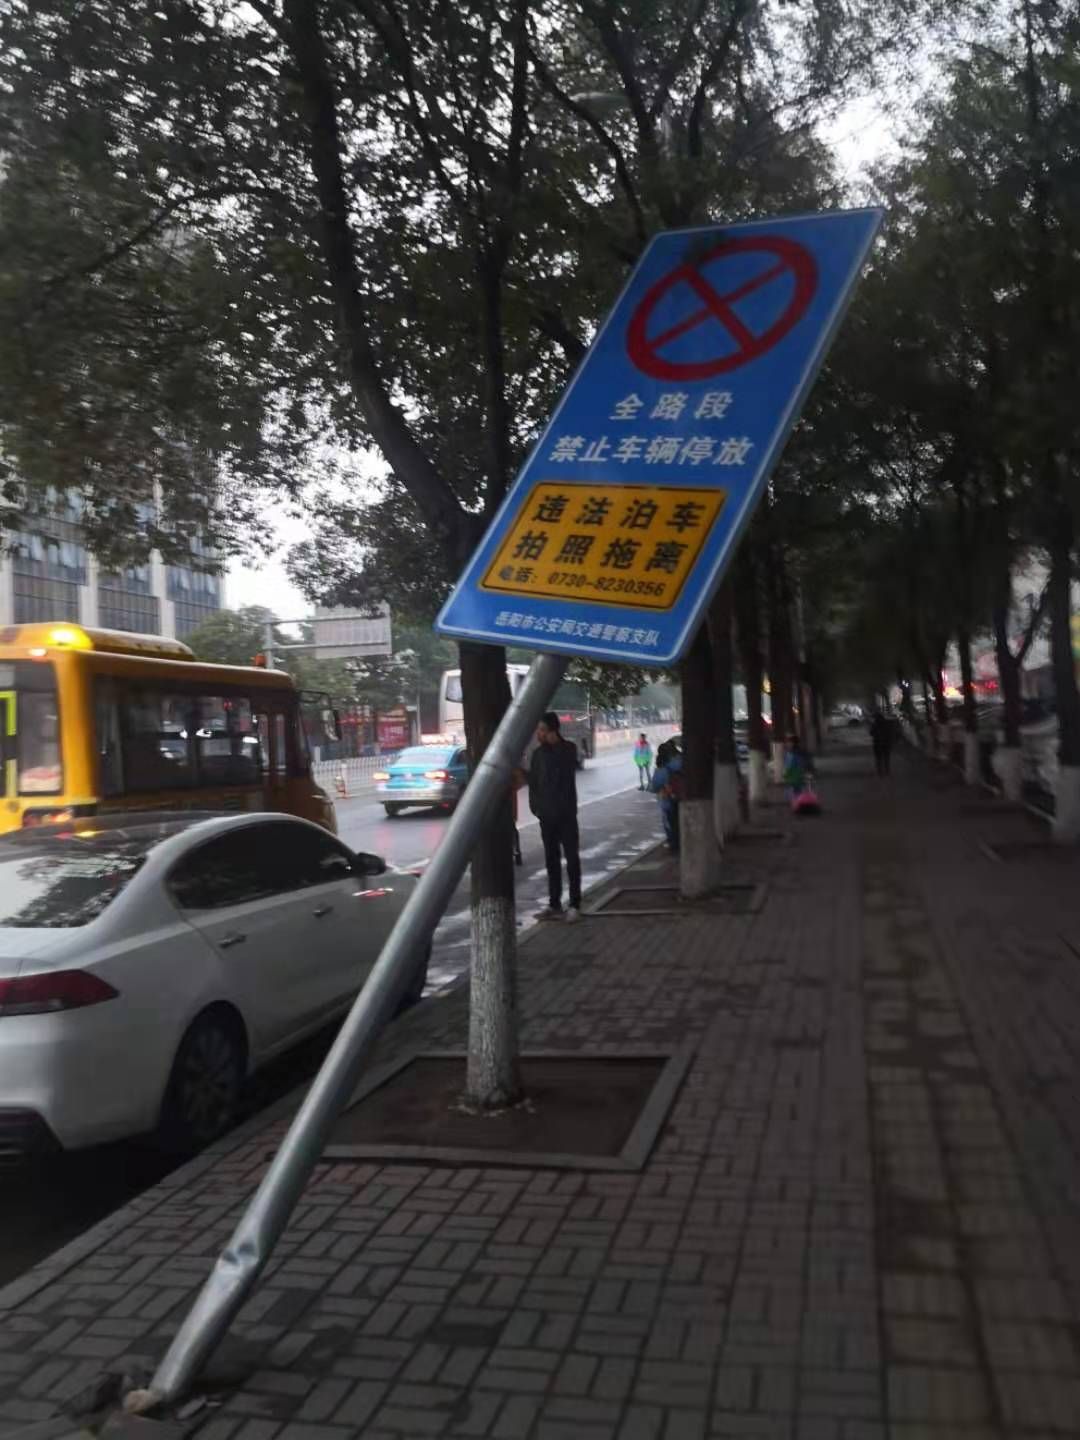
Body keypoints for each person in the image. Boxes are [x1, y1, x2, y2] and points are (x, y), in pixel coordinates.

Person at [528, 712, 581, 921]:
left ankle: (574, 904)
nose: (538, 734)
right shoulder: (537, 755)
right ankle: (554, 903)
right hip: (547, 817)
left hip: (566, 815)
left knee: (572, 859)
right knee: (551, 861)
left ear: (552, 731)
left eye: (542, 730)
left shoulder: (568, 749)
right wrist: (537, 809)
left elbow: (566, 769)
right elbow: (534, 784)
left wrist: (554, 745)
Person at [651, 737, 684, 852]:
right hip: (684, 796)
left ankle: (674, 844)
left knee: (670, 822)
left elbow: (655, 785)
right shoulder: (682, 760)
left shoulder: (663, 767)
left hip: (668, 799)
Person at [781, 733, 811, 797]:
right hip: (791, 776)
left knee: (797, 792)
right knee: (792, 793)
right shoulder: (788, 753)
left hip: (796, 776)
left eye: (789, 742)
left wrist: (805, 772)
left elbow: (802, 764)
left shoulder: (798, 753)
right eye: (787, 742)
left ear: (794, 743)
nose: (787, 744)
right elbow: (786, 765)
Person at [870, 710, 893, 777]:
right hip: (886, 743)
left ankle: (880, 772)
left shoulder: (875, 724)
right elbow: (890, 733)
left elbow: (871, 733)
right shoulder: (887, 724)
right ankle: (887, 771)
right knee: (886, 758)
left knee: (879, 759)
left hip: (878, 743)